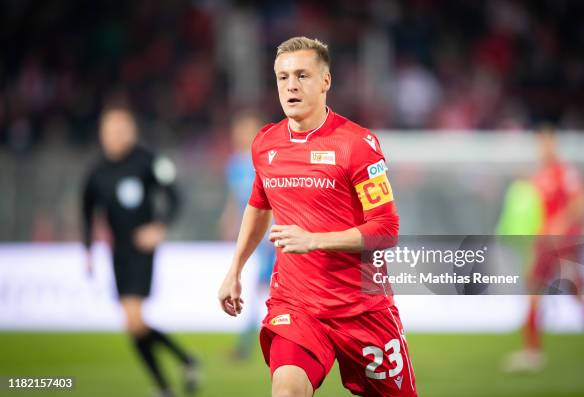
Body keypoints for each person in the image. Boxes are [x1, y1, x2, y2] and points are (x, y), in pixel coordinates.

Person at [218, 37, 417, 397]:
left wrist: (315, 240)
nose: (291, 85)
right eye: (282, 77)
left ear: (325, 81)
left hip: (362, 307)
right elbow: (258, 207)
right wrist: (235, 270)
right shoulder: (265, 144)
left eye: (302, 75)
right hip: (297, 307)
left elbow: (386, 230)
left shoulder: (357, 144)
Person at [82, 105, 200, 397]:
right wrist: (87, 250)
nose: (116, 135)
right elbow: (86, 210)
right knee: (133, 324)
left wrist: (159, 227)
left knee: (133, 320)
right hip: (117, 252)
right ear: (102, 133)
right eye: (110, 130)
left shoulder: (148, 161)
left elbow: (175, 196)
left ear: (132, 131)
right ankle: (185, 361)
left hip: (141, 251)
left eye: (121, 129)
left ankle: (164, 386)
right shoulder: (97, 171)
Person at [503, 126, 584, 377]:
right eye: (541, 144)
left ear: (554, 145)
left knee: (577, 292)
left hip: (564, 243)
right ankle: (532, 352)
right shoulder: (539, 176)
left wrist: (561, 222)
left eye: (547, 143)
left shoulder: (566, 172)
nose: (544, 149)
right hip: (546, 243)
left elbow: (582, 201)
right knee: (533, 289)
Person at [219, 110, 276, 360]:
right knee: (261, 290)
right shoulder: (234, 165)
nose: (241, 135)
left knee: (263, 289)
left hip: (269, 238)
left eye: (246, 130)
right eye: (239, 131)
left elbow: (274, 199)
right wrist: (229, 219)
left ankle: (247, 345)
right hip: (254, 237)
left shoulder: (266, 161)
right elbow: (236, 199)